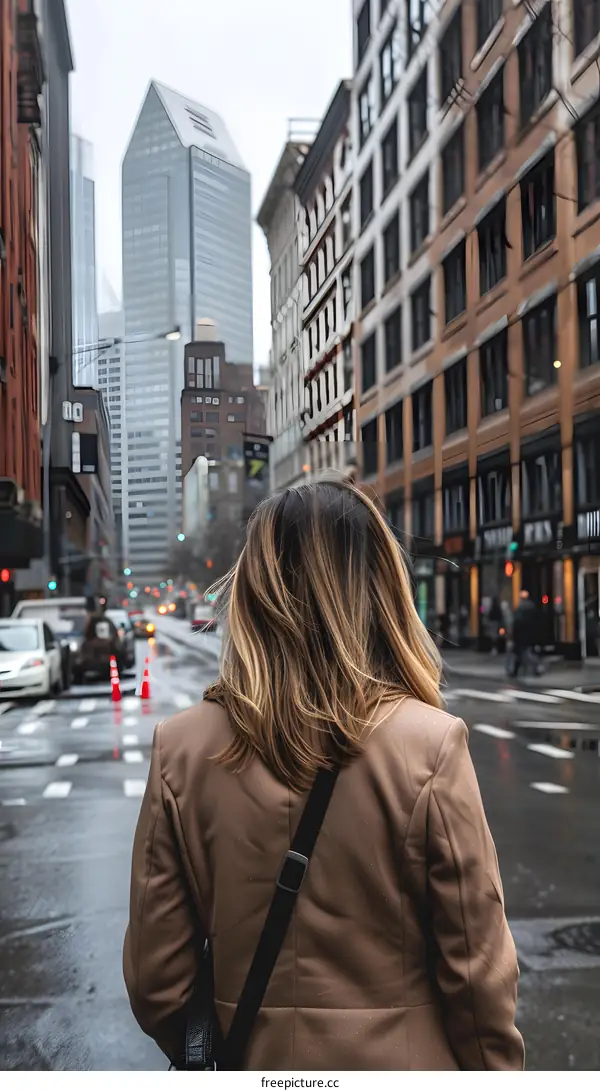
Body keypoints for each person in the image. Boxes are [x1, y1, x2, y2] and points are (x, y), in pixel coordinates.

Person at [123, 478, 524, 1072]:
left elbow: (157, 983)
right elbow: (477, 975)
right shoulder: (431, 745)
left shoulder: (180, 748)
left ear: (254, 590)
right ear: (381, 588)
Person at [509, 589, 538, 678]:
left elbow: (517, 623)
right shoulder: (531, 607)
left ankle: (517, 671)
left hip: (521, 635)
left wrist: (513, 634)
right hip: (529, 634)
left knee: (521, 654)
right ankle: (532, 669)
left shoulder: (520, 608)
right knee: (525, 653)